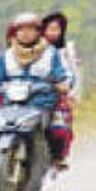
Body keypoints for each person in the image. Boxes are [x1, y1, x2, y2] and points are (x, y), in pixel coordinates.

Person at [0, 13, 67, 174]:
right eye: (20, 30)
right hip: (12, 103)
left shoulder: (50, 53)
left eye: (30, 29)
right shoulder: (6, 56)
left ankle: (52, 162)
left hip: (41, 102)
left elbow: (59, 74)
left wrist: (60, 83)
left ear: (38, 32)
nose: (25, 33)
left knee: (55, 129)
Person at [38, 11, 81, 173]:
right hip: (33, 92)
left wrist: (68, 91)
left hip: (55, 93)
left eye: (57, 29)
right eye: (50, 29)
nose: (53, 33)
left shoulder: (64, 52)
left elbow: (70, 73)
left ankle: (57, 156)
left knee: (59, 126)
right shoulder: (32, 49)